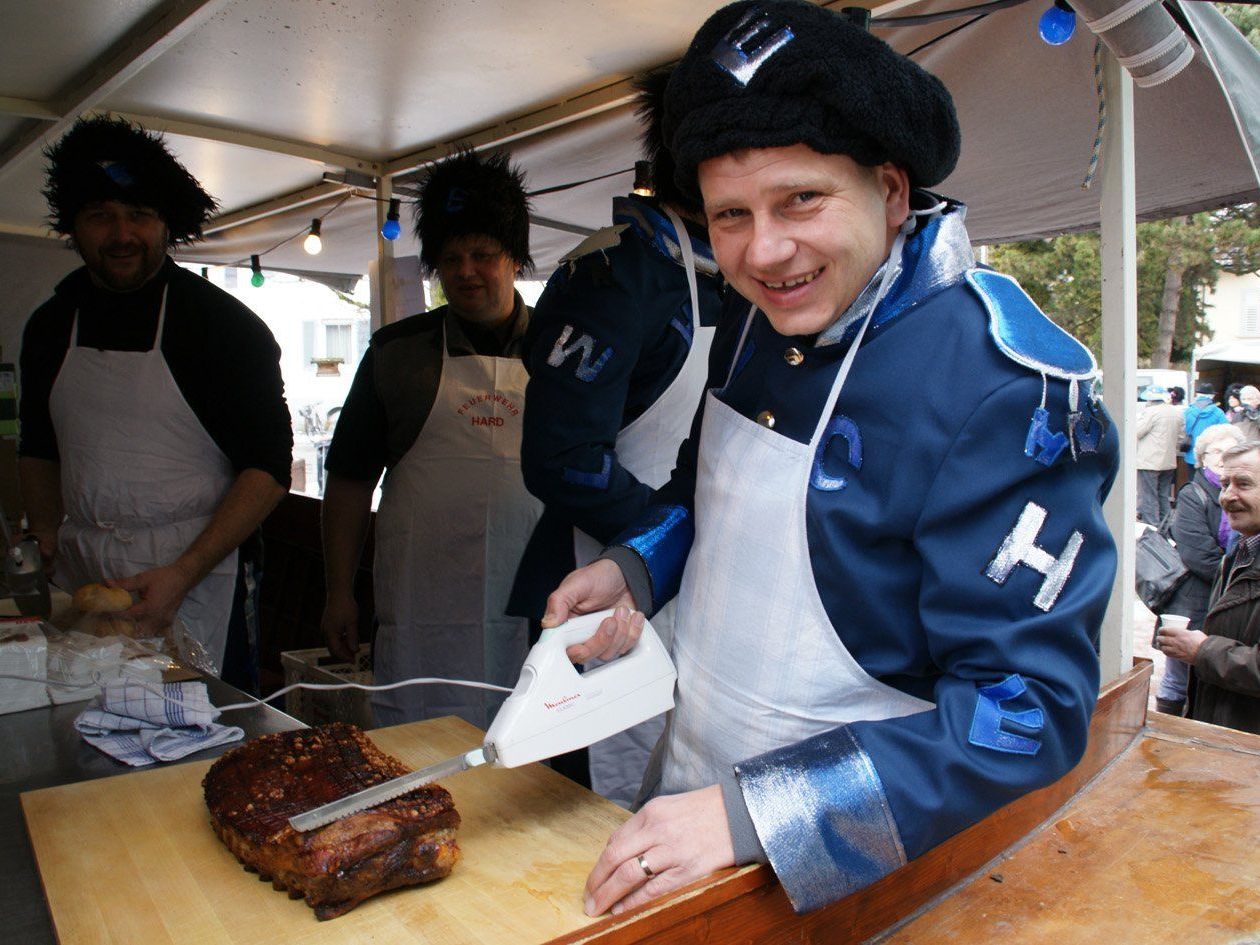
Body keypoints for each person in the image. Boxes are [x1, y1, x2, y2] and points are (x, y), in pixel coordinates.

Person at [543, 0, 1119, 917]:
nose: (764, 250)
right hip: (688, 805)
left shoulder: (1009, 389)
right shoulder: (758, 310)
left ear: (892, 191)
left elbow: (1029, 712)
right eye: (730, 214)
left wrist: (754, 815)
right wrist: (635, 568)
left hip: (864, 872)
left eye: (801, 199)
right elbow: (709, 482)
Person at [508, 70, 725, 803]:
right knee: (589, 817)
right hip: (596, 580)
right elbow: (562, 459)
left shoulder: (742, 272)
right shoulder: (616, 275)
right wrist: (675, 541)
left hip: (694, 582)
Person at [19, 116, 291, 691]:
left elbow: (267, 468)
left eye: (139, 215)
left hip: (195, 566)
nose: (121, 234)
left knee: (204, 727)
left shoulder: (222, 327)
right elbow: (39, 447)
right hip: (83, 566)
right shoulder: (49, 325)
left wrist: (184, 571)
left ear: (166, 224)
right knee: (84, 722)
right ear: (74, 227)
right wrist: (43, 532)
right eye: (100, 216)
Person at [321, 149, 540, 729]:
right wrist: (338, 590)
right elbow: (347, 479)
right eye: (451, 258)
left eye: (483, 255)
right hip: (423, 601)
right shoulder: (398, 354)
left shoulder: (560, 348)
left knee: (528, 743)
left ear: (514, 258)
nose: (467, 271)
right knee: (416, 737)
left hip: (533, 600)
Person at [1157, 440, 1260, 735]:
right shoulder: (1238, 553)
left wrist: (1202, 651)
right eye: (1225, 484)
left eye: (1243, 484)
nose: (1227, 496)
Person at [1135, 385, 1182, 525]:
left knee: (1148, 496)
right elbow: (1180, 437)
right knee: (1163, 495)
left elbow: (1137, 431)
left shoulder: (1151, 413)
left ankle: (1152, 526)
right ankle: (1166, 525)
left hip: (1149, 461)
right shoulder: (1175, 412)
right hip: (1169, 461)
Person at [1182, 382, 1228, 467]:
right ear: (1212, 396)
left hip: (1191, 452)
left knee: (1191, 478)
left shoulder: (1187, 411)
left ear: (1197, 395)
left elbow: (1181, 429)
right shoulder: (1218, 413)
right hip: (1209, 454)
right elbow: (1227, 432)